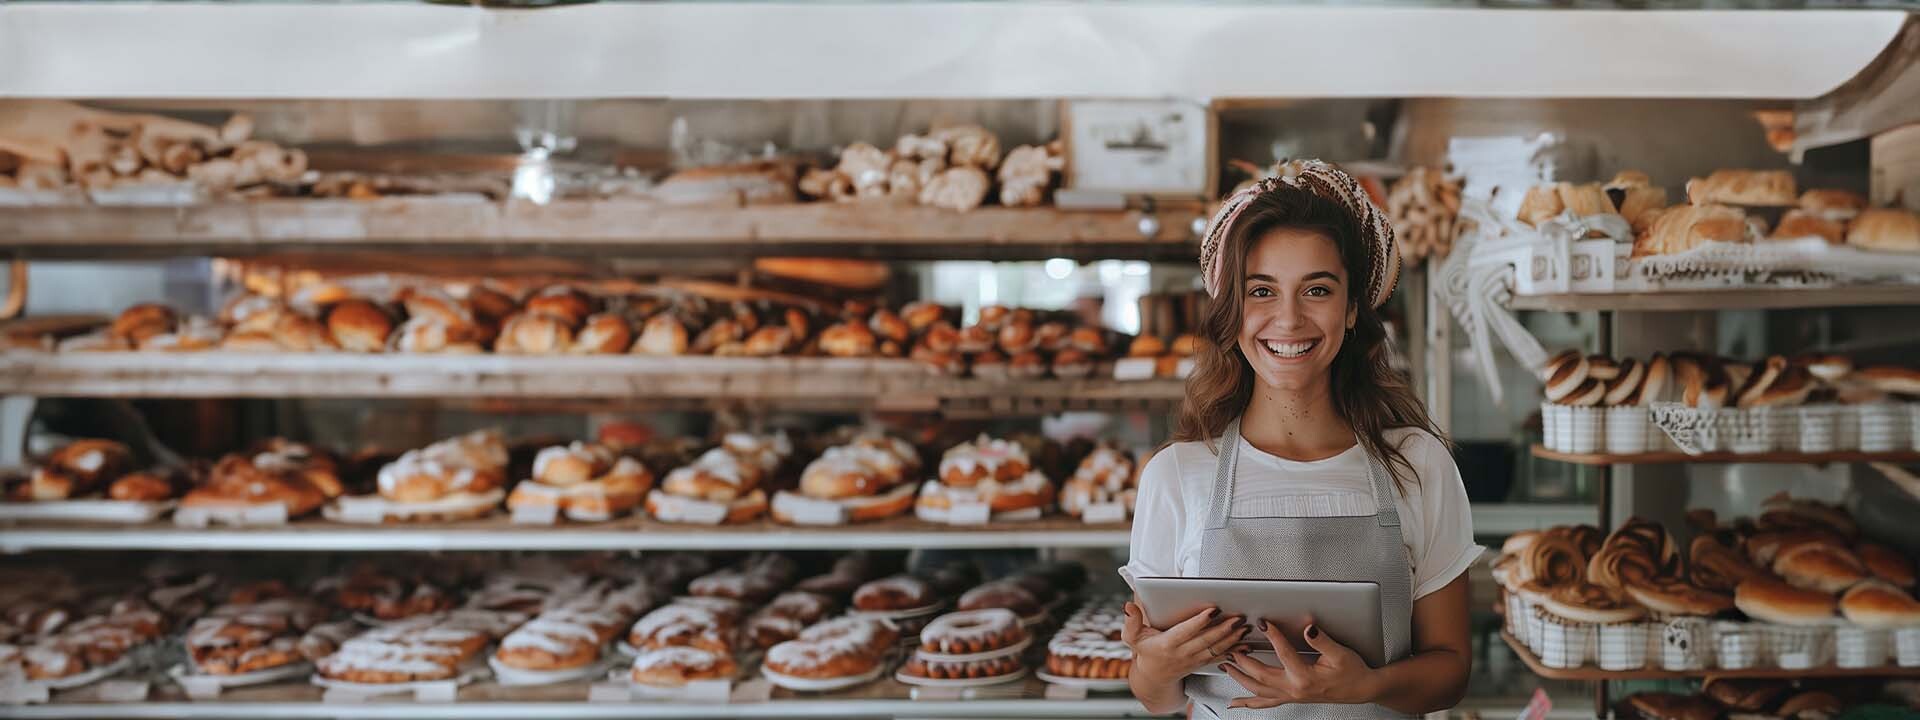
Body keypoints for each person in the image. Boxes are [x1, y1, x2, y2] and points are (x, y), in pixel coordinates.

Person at [1121, 160, 1481, 719]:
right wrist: (1155, 667)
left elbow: (1452, 671)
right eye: (1261, 291)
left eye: (1317, 289)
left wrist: (1366, 687)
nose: (1287, 320)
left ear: (1353, 309)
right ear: (1233, 313)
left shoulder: (1417, 464)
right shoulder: (1176, 475)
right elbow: (1158, 700)